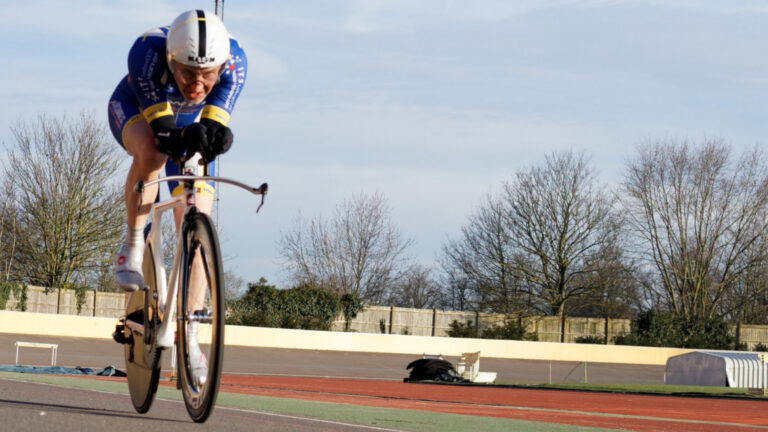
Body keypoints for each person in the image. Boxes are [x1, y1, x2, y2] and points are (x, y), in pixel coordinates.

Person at [107, 9, 247, 383]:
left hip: (189, 126)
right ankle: (134, 243)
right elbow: (167, 132)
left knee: (199, 213)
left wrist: (217, 135)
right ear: (172, 60)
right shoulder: (147, 52)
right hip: (138, 112)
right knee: (153, 152)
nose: (197, 85)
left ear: (221, 67)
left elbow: (213, 123)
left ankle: (191, 336)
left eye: (207, 77)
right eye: (187, 74)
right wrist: (184, 137)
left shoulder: (236, 63)